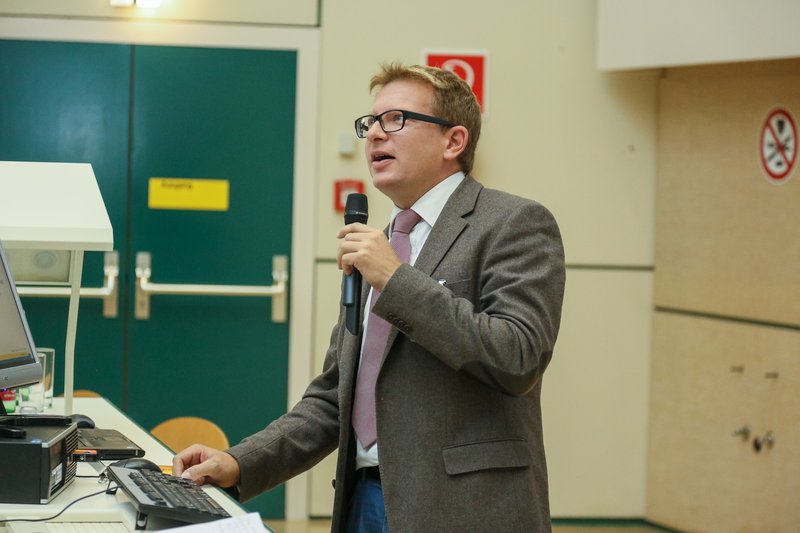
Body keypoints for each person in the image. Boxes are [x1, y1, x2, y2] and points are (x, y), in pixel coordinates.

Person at [173, 62, 566, 533]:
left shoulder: (512, 223)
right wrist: (240, 462)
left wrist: (395, 279)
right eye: (371, 122)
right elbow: (334, 397)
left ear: (453, 141)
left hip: (463, 510)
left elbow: (517, 357)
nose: (376, 134)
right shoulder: (382, 244)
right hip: (362, 500)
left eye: (396, 119)